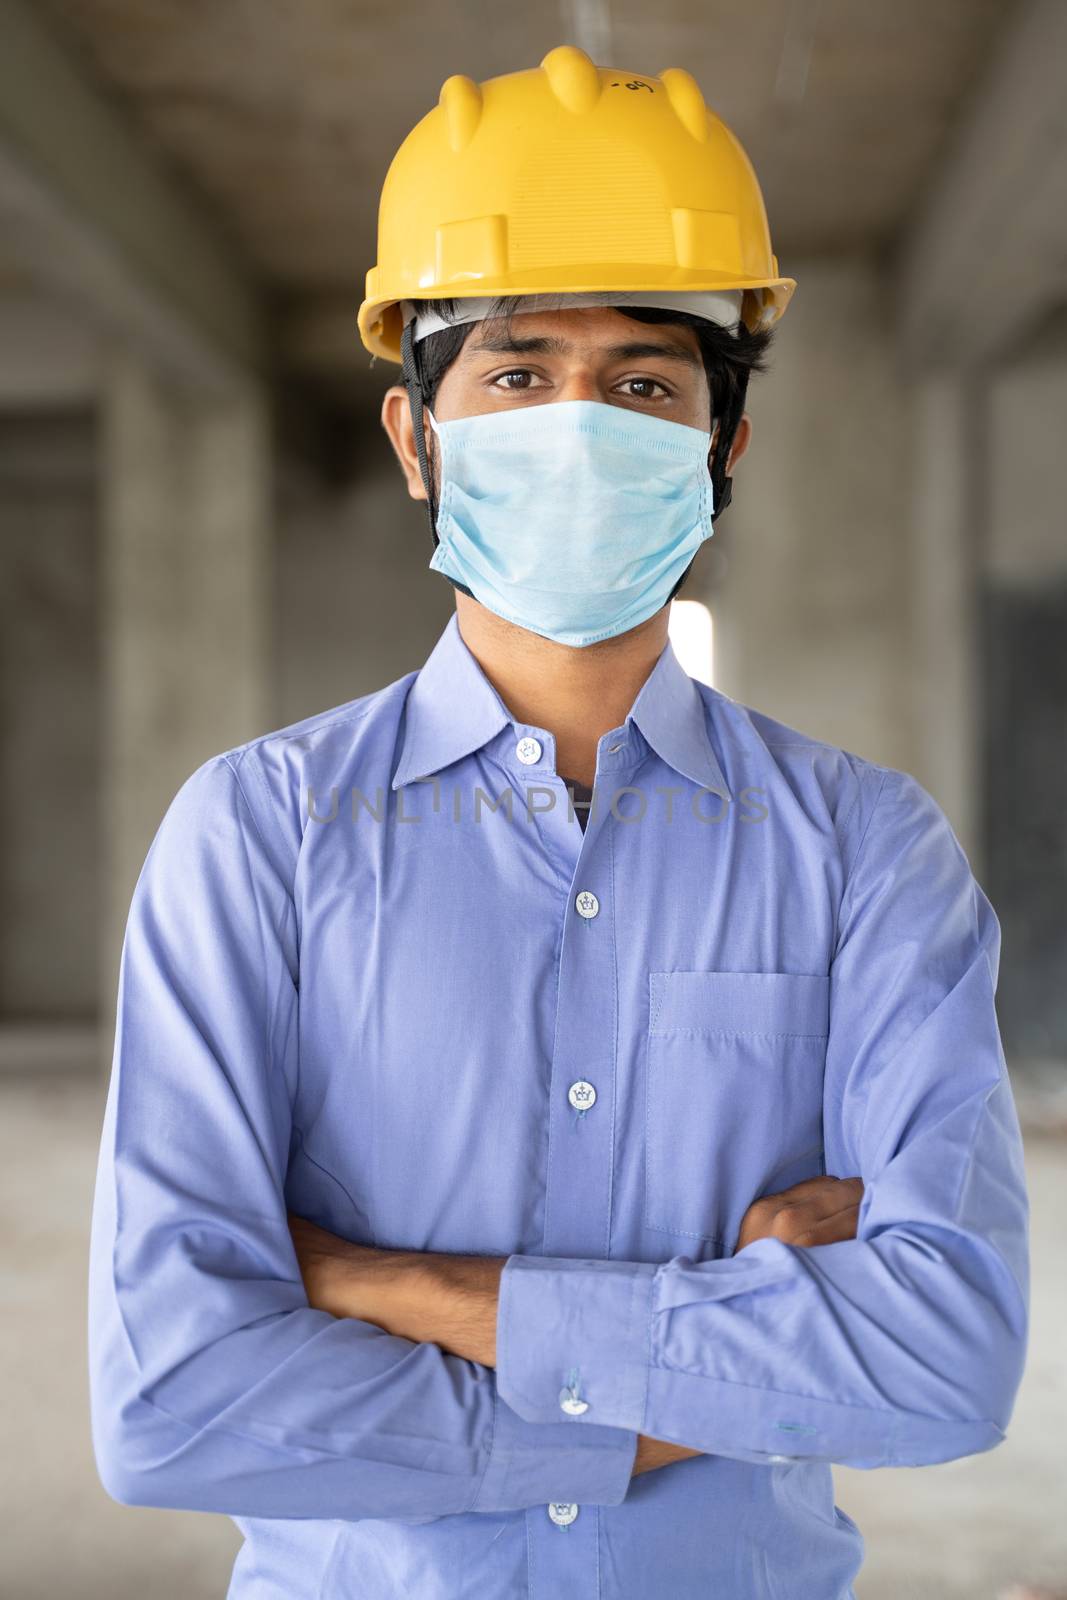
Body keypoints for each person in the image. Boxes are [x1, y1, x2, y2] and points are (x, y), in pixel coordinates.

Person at [88, 44, 1030, 1599]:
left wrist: (389, 1287)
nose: (581, 425)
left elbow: (942, 1362)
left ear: (722, 450)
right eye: (517, 374)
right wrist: (685, 1379)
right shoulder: (257, 838)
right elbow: (174, 1401)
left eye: (646, 384)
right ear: (417, 441)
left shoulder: (868, 853)